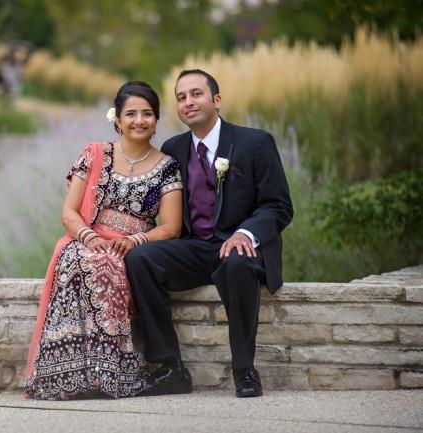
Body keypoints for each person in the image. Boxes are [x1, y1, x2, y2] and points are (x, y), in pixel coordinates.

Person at [126, 69, 293, 398]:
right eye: (181, 97)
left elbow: (279, 206)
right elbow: (149, 199)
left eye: (196, 94)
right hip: (195, 249)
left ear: (216, 100)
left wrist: (246, 233)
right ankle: (171, 368)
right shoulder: (174, 149)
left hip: (241, 249)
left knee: (236, 262)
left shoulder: (255, 143)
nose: (188, 102)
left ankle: (245, 370)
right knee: (140, 258)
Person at [24, 81, 183, 400]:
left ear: (156, 119)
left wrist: (136, 240)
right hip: (87, 238)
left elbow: (170, 227)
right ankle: (67, 372)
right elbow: (69, 212)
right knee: (82, 258)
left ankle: (108, 374)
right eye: (132, 114)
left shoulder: (167, 167)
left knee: (109, 263)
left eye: (147, 114)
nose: (139, 120)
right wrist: (89, 236)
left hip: (132, 246)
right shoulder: (95, 154)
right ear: (118, 119)